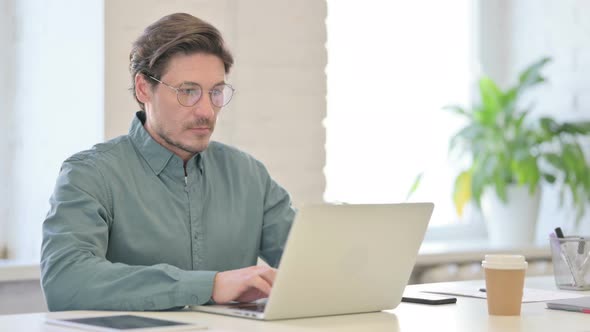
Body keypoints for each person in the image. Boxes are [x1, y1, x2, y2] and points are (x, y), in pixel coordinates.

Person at [40, 12, 295, 311]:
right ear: (143, 88)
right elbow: (66, 281)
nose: (207, 111)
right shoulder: (90, 174)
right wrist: (210, 286)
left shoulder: (248, 175)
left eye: (215, 92)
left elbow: (313, 265)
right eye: (188, 92)